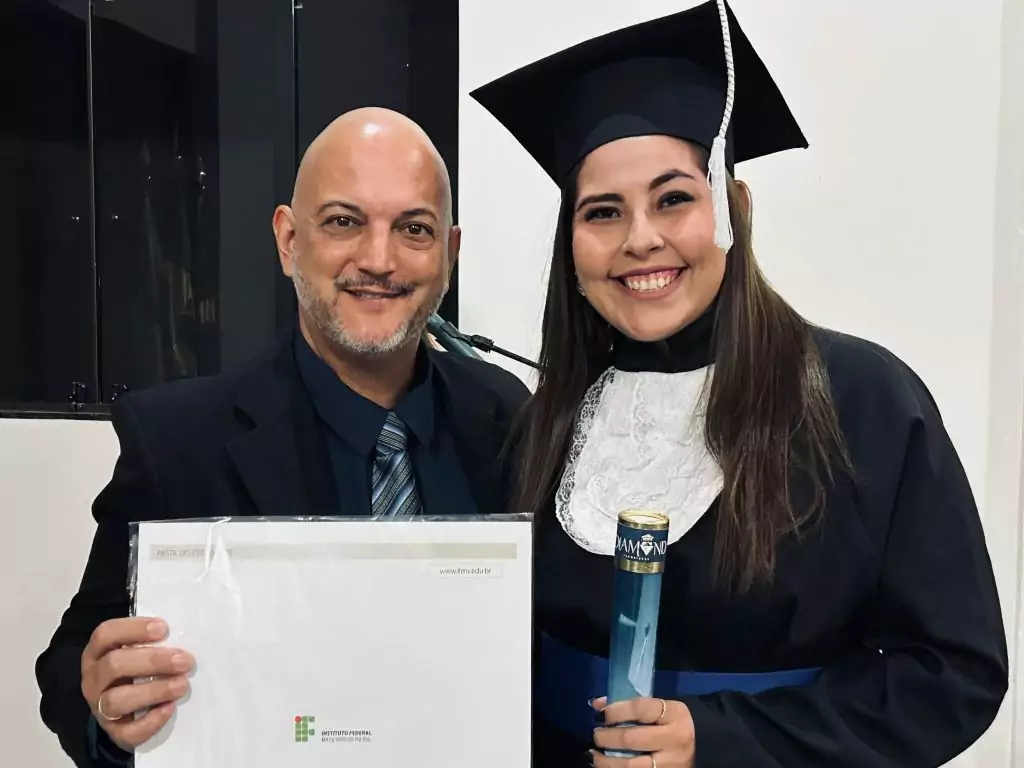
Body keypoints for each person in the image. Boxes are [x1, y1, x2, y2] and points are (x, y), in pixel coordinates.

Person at [471, 1, 1009, 766]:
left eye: (674, 198)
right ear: (574, 247)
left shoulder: (863, 402)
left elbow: (953, 674)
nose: (640, 239)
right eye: (602, 212)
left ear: (734, 209)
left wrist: (722, 737)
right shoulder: (547, 423)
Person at [34, 107, 530, 767]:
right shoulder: (177, 441)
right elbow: (69, 666)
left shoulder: (507, 418)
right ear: (289, 240)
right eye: (344, 222)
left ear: (450, 254)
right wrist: (102, 704)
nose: (378, 259)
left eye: (414, 229)